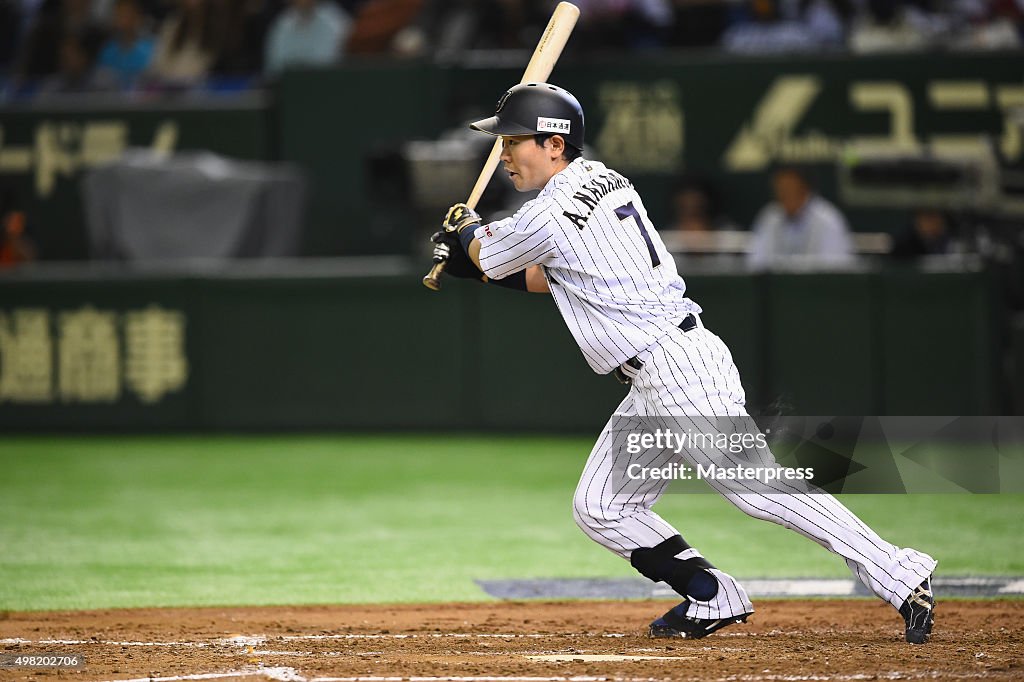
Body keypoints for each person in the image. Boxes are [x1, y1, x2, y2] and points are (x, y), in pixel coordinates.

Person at [430, 82, 937, 644]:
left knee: (759, 490)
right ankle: (712, 594)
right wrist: (469, 255)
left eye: (514, 141)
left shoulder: (551, 209)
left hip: (678, 369)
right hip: (657, 377)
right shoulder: (603, 179)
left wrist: (465, 236)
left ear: (555, 144)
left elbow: (495, 257)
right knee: (602, 507)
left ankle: (899, 571)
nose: (503, 154)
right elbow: (535, 274)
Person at [745, 165, 855, 271]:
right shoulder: (770, 217)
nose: (783, 193)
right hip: (776, 287)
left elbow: (836, 269)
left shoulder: (828, 220)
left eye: (789, 188)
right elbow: (755, 263)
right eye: (780, 189)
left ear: (805, 188)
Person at [263, 0, 351, 75]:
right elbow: (274, 67)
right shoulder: (282, 25)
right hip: (289, 87)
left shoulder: (336, 23)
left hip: (327, 86)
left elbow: (332, 64)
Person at [94, 0, 154, 90]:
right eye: (118, 14)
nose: (122, 19)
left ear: (137, 17)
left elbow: (151, 81)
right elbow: (100, 81)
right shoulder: (108, 51)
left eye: (127, 14)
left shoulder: (150, 49)